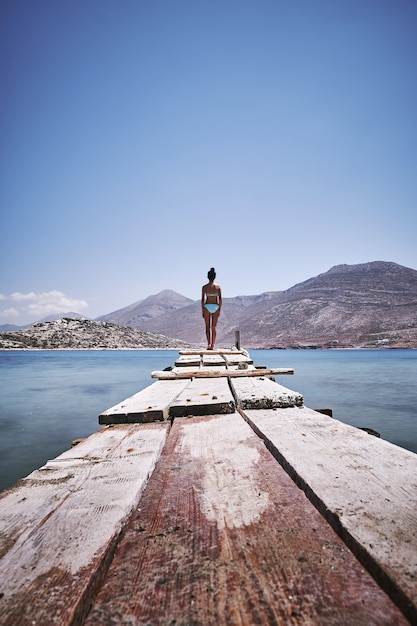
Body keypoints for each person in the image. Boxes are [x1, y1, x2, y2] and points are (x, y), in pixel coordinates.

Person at [201, 267, 222, 350]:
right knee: (214, 327)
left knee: (207, 327)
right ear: (215, 277)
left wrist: (202, 310)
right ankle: (213, 345)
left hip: (207, 306)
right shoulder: (218, 287)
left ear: (208, 277)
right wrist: (219, 309)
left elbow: (202, 300)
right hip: (215, 306)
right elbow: (220, 300)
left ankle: (208, 344)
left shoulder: (204, 287)